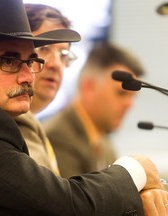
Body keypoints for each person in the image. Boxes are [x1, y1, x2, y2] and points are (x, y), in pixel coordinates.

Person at [0, 0, 168, 215]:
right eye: (9, 61)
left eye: (30, 61)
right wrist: (135, 169)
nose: (29, 76)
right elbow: (65, 207)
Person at [43, 41, 145, 178]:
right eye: (121, 93)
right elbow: (76, 199)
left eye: (133, 97)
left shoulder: (103, 142)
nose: (129, 104)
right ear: (89, 87)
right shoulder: (58, 137)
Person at [14, 3, 77, 175]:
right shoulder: (15, 122)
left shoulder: (33, 122)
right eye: (44, 49)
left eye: (63, 55)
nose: (56, 64)